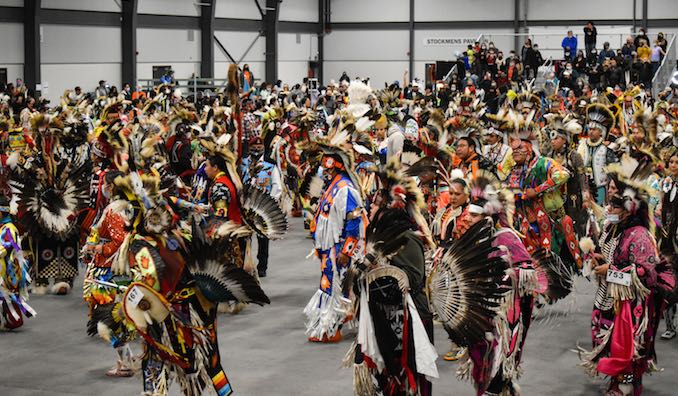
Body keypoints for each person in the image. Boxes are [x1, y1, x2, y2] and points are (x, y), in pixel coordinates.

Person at [579, 156, 662, 395]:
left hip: (631, 308)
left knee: (626, 347)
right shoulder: (618, 228)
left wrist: (611, 272)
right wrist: (604, 262)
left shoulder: (639, 236)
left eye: (614, 205)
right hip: (610, 299)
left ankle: (625, 384)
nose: (609, 209)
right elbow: (616, 259)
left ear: (628, 210)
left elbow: (647, 276)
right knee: (607, 340)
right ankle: (616, 382)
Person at [304, 131, 366, 343]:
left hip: (338, 249)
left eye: (328, 168)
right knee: (332, 284)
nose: (324, 172)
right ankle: (335, 321)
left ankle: (331, 328)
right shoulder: (332, 187)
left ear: (336, 166)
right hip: (328, 248)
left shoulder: (346, 189)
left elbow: (354, 222)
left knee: (332, 286)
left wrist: (346, 251)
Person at [0, 196, 34, 330]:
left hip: (7, 271)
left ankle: (11, 319)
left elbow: (5, 247)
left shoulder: (9, 228)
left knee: (14, 317)